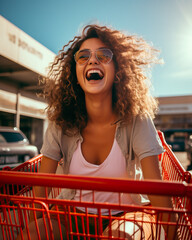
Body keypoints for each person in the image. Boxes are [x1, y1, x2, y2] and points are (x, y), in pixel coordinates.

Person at [18, 24, 178, 240]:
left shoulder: (136, 119)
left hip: (128, 216)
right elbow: (41, 189)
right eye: (83, 57)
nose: (93, 60)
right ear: (74, 73)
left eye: (104, 55)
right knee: (33, 233)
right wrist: (36, 226)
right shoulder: (62, 122)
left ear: (117, 69)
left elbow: (157, 191)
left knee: (120, 236)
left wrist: (171, 235)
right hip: (73, 215)